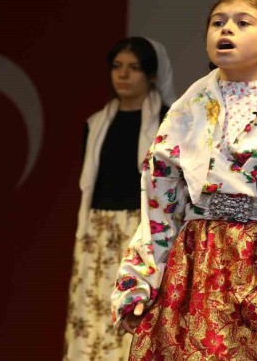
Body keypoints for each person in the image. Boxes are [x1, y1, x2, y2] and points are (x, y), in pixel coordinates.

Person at [111, 0, 257, 360]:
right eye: (218, 22)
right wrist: (139, 283)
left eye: (242, 22)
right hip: (192, 267)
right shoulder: (186, 112)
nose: (226, 29)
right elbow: (158, 204)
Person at [64, 37, 177, 361]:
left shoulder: (168, 122)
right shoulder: (96, 124)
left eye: (134, 68)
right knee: (91, 314)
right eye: (117, 67)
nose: (123, 75)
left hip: (144, 232)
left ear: (152, 74)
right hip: (98, 231)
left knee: (138, 313)